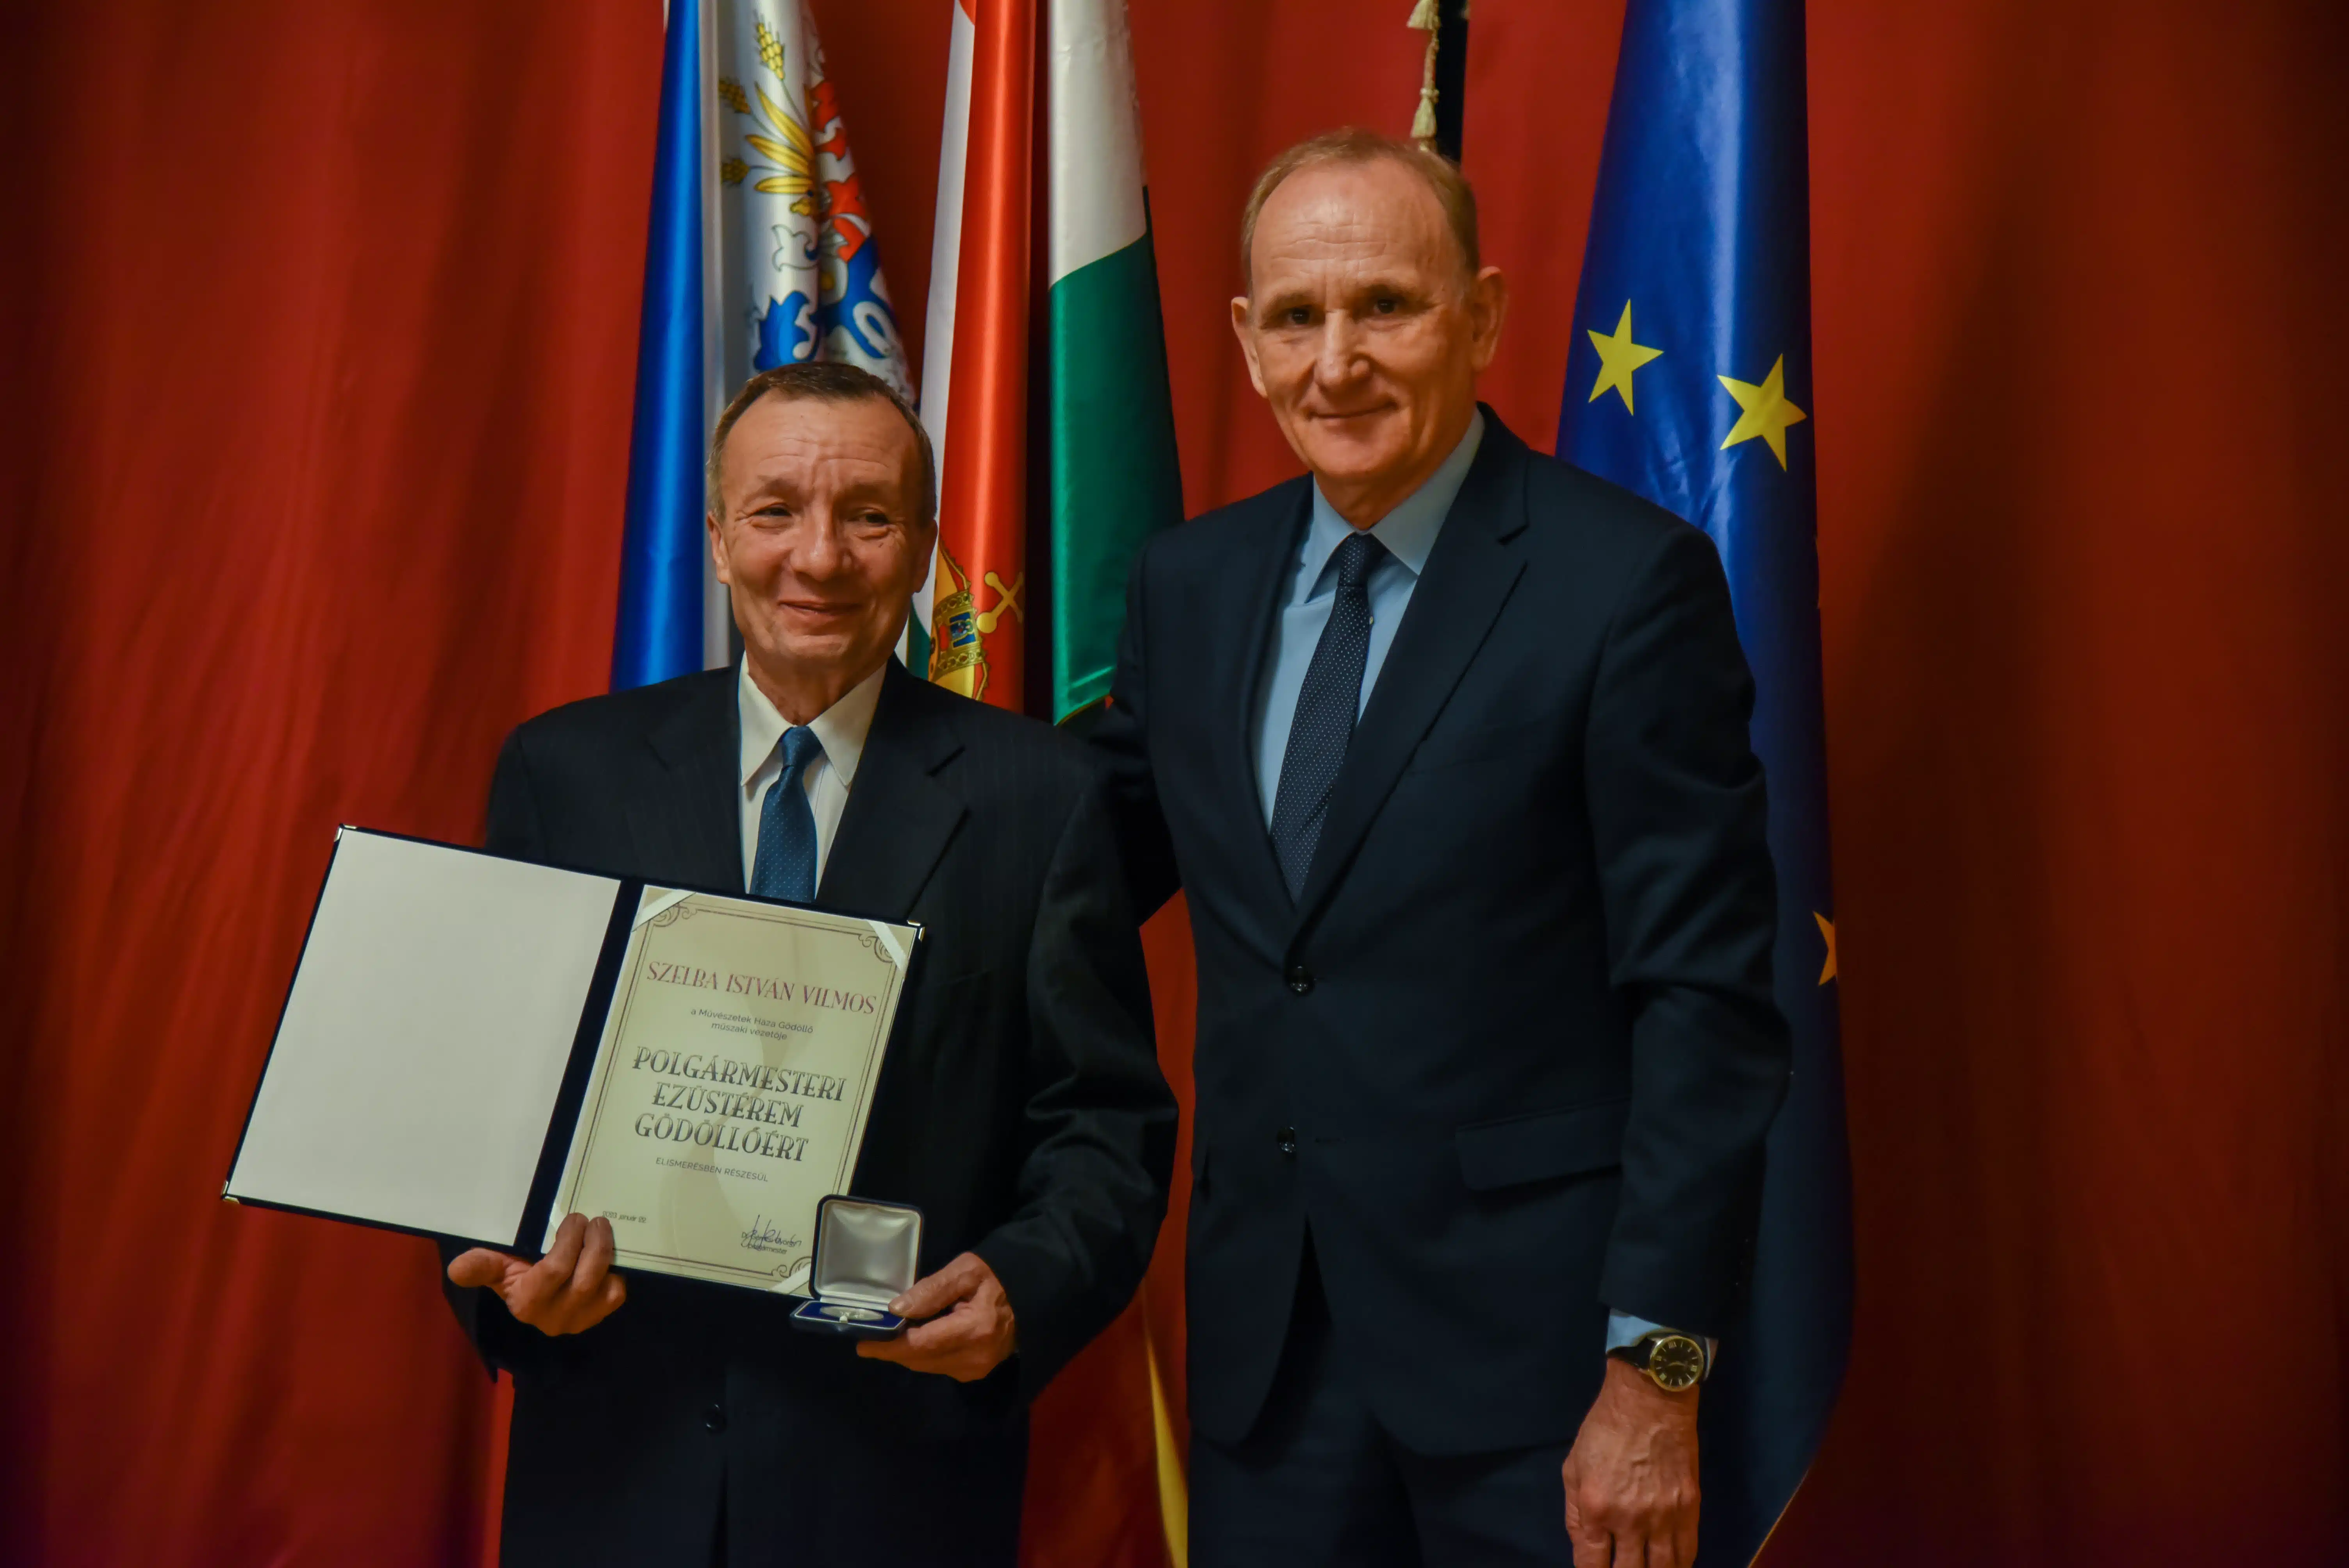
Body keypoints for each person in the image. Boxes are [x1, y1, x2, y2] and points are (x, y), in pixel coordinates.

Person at [1089, 128, 1791, 1568]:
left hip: (1545, 1385)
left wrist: (1654, 1381)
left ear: (1481, 317)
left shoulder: (1626, 588)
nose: (1337, 361)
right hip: (1268, 1374)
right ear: (1248, 341)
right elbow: (1063, 864)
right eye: (1298, 316)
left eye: (1386, 307)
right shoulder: (1188, 585)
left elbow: (1706, 1007)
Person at [441, 361, 1175, 1567]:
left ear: (925, 546)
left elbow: (1104, 1124)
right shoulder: (563, 775)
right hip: (616, 1466)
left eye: (869, 517)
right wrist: (510, 1279)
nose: (820, 558)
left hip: (894, 1481)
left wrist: (1021, 1288)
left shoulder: (1041, 798)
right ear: (718, 539)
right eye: (776, 511)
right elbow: (485, 1101)